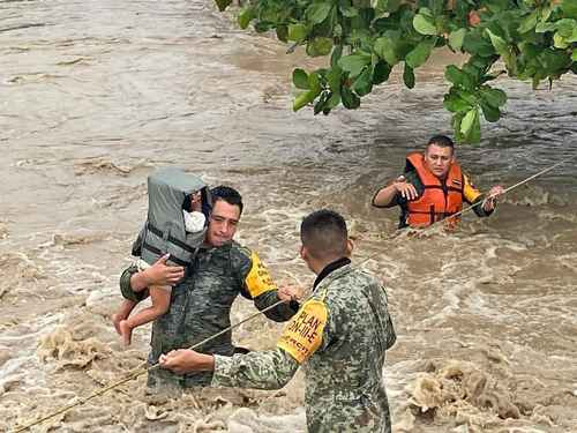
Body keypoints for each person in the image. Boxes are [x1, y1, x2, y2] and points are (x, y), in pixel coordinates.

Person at [159, 209, 397, 432]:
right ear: (349, 245)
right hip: (378, 418)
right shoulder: (370, 283)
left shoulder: (318, 308)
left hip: (337, 424)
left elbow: (276, 371)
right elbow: (387, 338)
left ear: (303, 252)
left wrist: (205, 362)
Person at [119, 185, 300, 388]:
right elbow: (128, 285)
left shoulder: (241, 259)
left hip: (211, 372)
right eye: (218, 220)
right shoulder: (173, 244)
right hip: (162, 369)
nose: (224, 230)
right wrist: (147, 277)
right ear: (205, 215)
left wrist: (286, 300)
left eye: (232, 223)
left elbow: (271, 304)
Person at [113, 167, 209, 346]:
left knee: (143, 292)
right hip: (164, 269)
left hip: (147, 260)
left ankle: (120, 315)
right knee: (159, 307)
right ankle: (129, 324)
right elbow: (198, 225)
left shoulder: (160, 214)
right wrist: (197, 207)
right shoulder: (186, 219)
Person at [372, 135, 505, 229]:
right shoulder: (412, 179)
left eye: (444, 158)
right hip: (412, 240)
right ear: (425, 157)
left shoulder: (460, 179)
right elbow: (378, 202)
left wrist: (489, 199)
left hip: (448, 241)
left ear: (452, 159)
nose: (439, 163)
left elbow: (481, 209)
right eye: (434, 157)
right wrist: (395, 187)